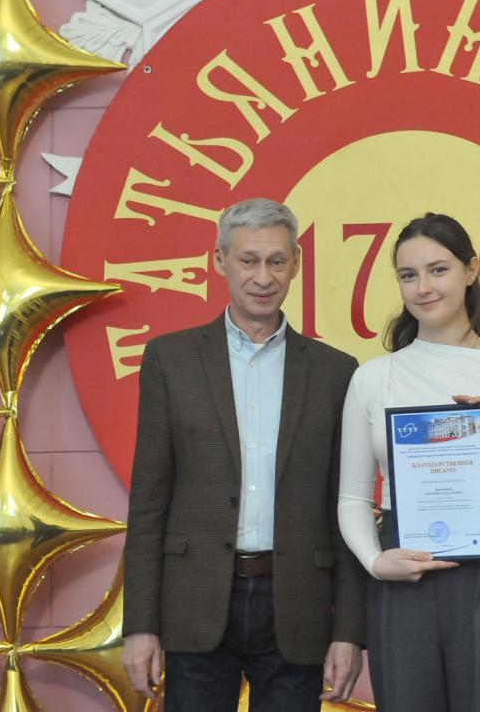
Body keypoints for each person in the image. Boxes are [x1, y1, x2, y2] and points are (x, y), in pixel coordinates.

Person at [122, 198, 366, 712]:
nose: (263, 277)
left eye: (277, 261)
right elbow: (148, 505)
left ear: (296, 263)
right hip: (195, 603)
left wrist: (349, 632)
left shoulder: (336, 372)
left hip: (297, 605)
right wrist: (140, 625)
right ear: (219, 260)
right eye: (248, 260)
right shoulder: (170, 360)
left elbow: (345, 508)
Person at [338, 212, 480, 711]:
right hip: (403, 567)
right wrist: (376, 562)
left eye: (438, 270)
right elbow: (353, 496)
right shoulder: (372, 378)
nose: (423, 288)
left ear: (471, 270)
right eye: (409, 275)